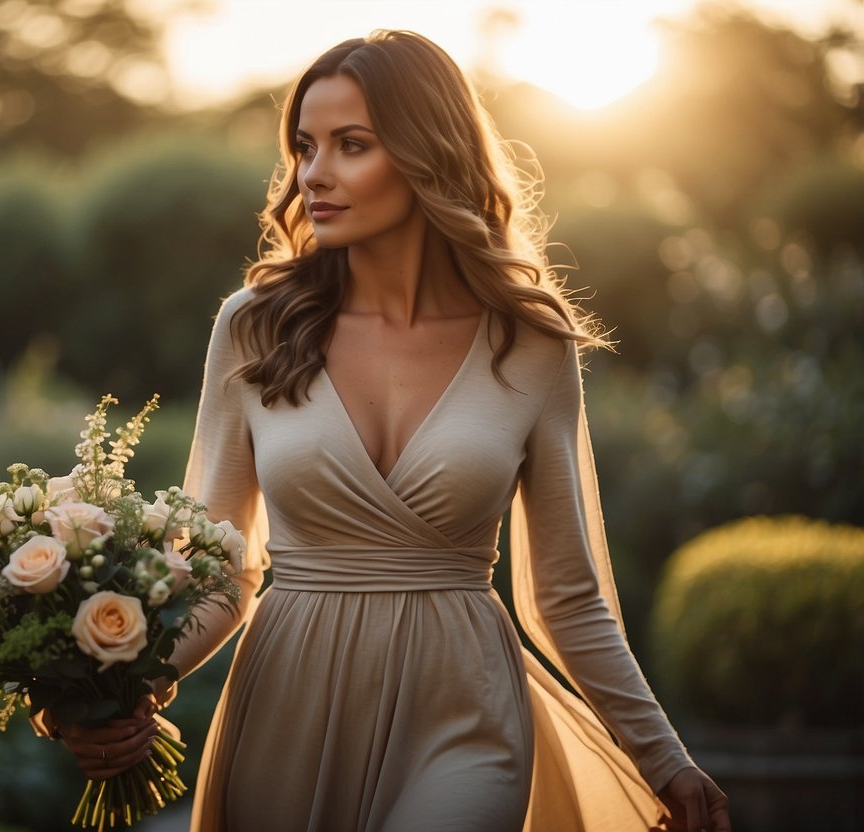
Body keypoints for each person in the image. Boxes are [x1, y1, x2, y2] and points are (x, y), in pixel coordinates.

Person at [39, 29, 732, 832]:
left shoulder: (530, 341)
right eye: (304, 146)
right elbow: (221, 574)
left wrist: (664, 758)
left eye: (351, 145)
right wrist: (117, 696)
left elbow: (569, 598)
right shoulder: (253, 327)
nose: (314, 173)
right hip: (287, 701)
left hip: (463, 708)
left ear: (425, 152)